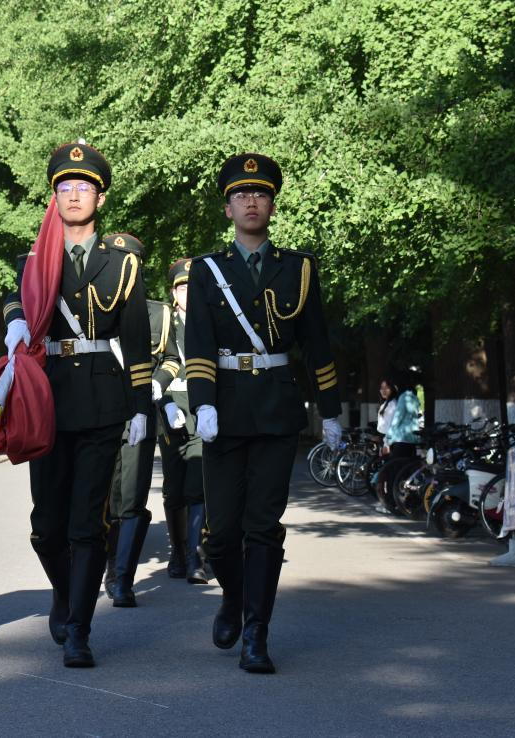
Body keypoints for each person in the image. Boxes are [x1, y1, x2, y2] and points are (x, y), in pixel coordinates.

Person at [185, 153, 342, 674]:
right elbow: (199, 343)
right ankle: (232, 598)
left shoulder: (298, 268)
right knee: (222, 532)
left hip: (276, 408)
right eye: (241, 195)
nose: (251, 201)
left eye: (261, 194)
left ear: (272, 204)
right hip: (224, 408)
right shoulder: (207, 270)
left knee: (263, 524)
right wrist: (203, 402)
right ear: (228, 208)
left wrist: (332, 410)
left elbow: (317, 342)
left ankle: (257, 631)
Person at [2, 143, 152, 667]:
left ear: (100, 197)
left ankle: (80, 630)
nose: (73, 195)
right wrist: (14, 318)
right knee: (47, 526)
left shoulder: (123, 263)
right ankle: (66, 593)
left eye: (83, 187)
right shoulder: (33, 261)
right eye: (64, 187)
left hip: (102, 400)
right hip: (46, 401)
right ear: (53, 197)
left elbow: (135, 342)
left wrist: (139, 409)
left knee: (88, 522)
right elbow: (14, 298)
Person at [103, 233, 180, 607]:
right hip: (97, 411)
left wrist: (156, 383)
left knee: (131, 496)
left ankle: (121, 577)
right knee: (99, 495)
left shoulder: (158, 313)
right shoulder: (90, 306)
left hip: (137, 412)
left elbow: (172, 358)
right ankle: (102, 561)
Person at [155, 258, 210, 584]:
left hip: (202, 408)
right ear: (173, 291)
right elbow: (153, 367)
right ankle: (177, 551)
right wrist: (164, 403)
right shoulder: (165, 323)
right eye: (181, 287)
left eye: (192, 286)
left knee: (197, 487)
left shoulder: (211, 321)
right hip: (171, 408)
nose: (187, 292)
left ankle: (196, 557)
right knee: (174, 488)